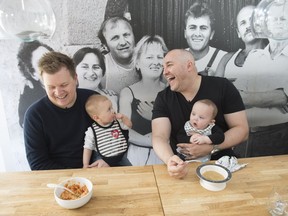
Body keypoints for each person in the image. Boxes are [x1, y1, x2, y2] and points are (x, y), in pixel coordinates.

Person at [152, 49, 249, 178]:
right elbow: (159, 137)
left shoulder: (223, 87)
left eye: (169, 65)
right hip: (184, 170)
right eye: (163, 67)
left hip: (222, 167)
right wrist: (170, 160)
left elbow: (242, 130)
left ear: (189, 65)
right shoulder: (163, 98)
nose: (164, 72)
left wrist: (211, 147)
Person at [24, 51, 97, 170]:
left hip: (97, 168)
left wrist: (105, 160)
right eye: (51, 87)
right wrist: (77, 177)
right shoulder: (34, 116)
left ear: (75, 79)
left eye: (63, 85)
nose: (58, 92)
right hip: (58, 179)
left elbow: (114, 136)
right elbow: (38, 164)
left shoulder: (94, 100)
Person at [235, 2, 288, 157]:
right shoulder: (254, 57)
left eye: (283, 18)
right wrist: (274, 97)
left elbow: (282, 98)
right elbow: (236, 98)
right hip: (244, 137)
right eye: (273, 18)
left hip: (279, 138)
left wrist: (280, 97)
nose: (277, 22)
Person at [119, 35, 168, 166]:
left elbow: (179, 126)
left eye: (159, 57)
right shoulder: (127, 93)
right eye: (149, 57)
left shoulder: (171, 92)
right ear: (138, 63)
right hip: (135, 156)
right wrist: (153, 141)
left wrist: (154, 117)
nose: (156, 62)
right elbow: (124, 129)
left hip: (166, 155)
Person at [214, 5, 267, 78]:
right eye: (243, 23)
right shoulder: (227, 59)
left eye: (252, 20)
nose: (248, 26)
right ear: (238, 33)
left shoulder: (278, 57)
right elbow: (216, 88)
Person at [83, 94, 132, 168]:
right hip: (102, 158)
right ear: (97, 118)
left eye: (112, 107)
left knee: (130, 169)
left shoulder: (118, 122)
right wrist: (85, 164)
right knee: (101, 173)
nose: (113, 111)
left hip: (120, 156)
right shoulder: (92, 131)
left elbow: (129, 126)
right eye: (109, 109)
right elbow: (88, 148)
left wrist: (123, 117)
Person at [98, 16, 139, 94]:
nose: (123, 42)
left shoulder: (148, 59)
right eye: (115, 38)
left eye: (126, 35)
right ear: (105, 46)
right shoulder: (102, 66)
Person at [184, 1, 227, 76]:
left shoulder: (224, 59)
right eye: (192, 27)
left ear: (211, 34)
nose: (197, 34)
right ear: (185, 33)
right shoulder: (176, 59)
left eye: (203, 28)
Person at [17, 40, 53, 127]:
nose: (51, 63)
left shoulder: (74, 81)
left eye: (51, 57)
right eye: (42, 62)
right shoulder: (29, 94)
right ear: (34, 75)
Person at [73, 47, 118, 111]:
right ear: (74, 70)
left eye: (96, 67)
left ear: (103, 72)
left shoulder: (112, 97)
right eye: (85, 67)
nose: (91, 73)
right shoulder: (68, 99)